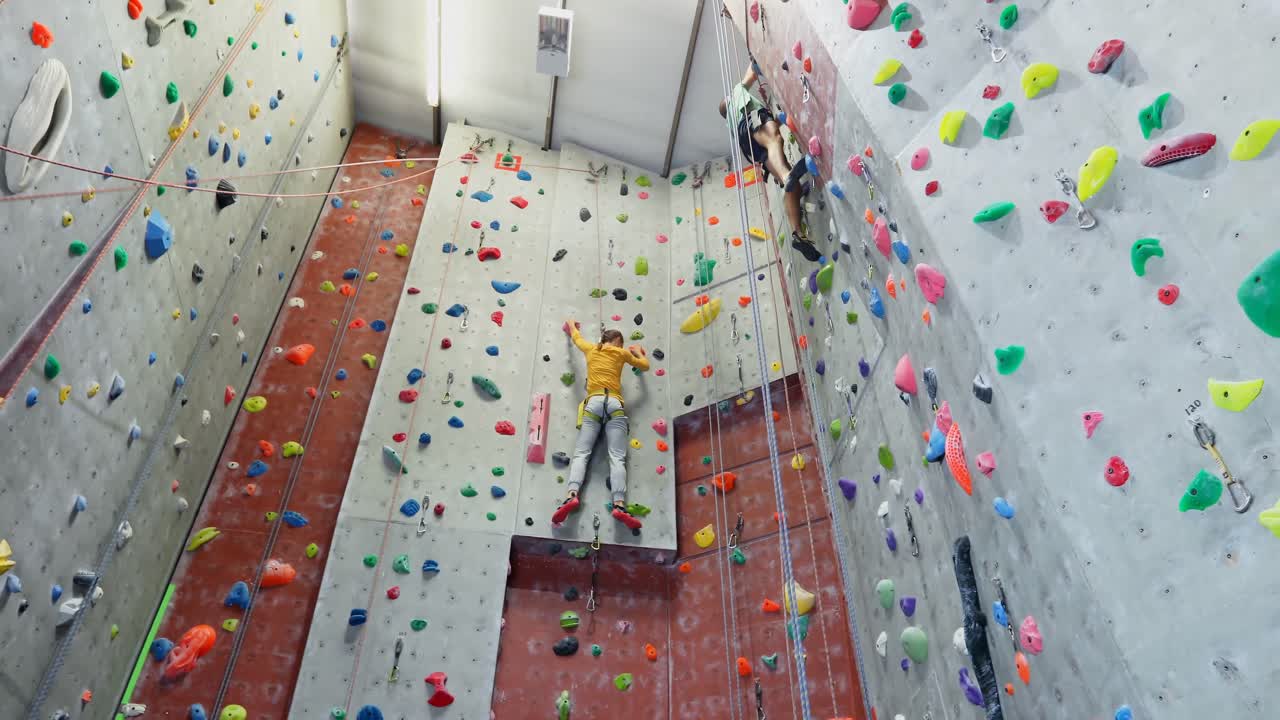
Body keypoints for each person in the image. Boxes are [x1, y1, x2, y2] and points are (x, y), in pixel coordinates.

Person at [718, 60, 822, 263]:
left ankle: (797, 234)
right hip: (752, 122)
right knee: (774, 138)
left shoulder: (730, 123)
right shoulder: (737, 95)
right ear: (729, 100)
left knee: (792, 188)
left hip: (749, 146)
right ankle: (786, 175)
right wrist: (753, 58)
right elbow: (751, 74)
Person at [552, 322, 650, 530]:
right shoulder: (622, 353)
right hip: (615, 404)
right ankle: (619, 505)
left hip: (593, 402)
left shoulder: (591, 349)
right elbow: (645, 366)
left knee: (581, 453)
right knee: (617, 457)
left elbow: (576, 338)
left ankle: (571, 495)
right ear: (618, 342)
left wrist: (571, 325)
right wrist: (638, 351)